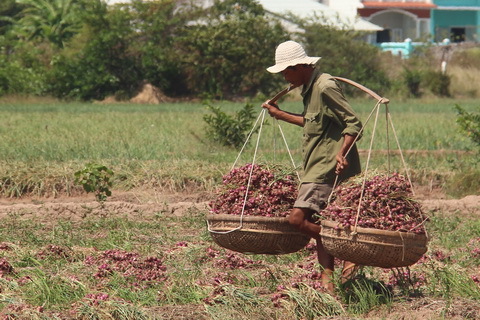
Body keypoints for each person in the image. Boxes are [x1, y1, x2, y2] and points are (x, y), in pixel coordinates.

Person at [262, 40, 362, 293]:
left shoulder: (326, 86)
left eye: (286, 71)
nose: (284, 76)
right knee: (320, 220)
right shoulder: (309, 88)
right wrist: (280, 114)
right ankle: (329, 280)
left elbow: (354, 124)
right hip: (315, 165)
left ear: (299, 67)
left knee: (297, 219)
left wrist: (342, 153)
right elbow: (313, 123)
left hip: (328, 168)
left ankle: (350, 249)